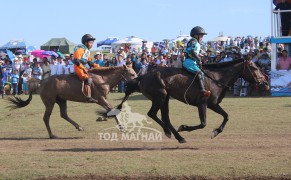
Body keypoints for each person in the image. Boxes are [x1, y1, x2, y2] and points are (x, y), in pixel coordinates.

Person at [183, 26, 211, 97]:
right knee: (199, 73)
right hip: (189, 61)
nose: (202, 38)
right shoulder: (193, 41)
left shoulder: (196, 42)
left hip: (193, 61)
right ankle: (202, 90)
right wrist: (199, 60)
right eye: (201, 36)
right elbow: (192, 52)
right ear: (196, 35)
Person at [73, 34, 99, 99]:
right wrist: (83, 68)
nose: (92, 45)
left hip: (83, 68)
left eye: (92, 43)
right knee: (88, 79)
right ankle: (87, 97)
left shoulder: (87, 51)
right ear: (85, 42)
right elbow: (76, 61)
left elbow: (89, 62)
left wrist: (98, 66)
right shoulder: (80, 50)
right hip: (78, 67)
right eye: (90, 43)